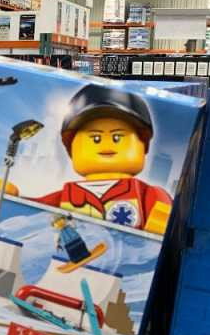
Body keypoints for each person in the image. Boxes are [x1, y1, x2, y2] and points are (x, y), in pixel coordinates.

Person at [37, 84, 173, 234]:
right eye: (95, 138)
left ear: (143, 145)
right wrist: (15, 195)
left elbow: (163, 230)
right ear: (71, 149)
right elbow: (32, 214)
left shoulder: (149, 195)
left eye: (117, 137)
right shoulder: (64, 196)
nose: (106, 144)